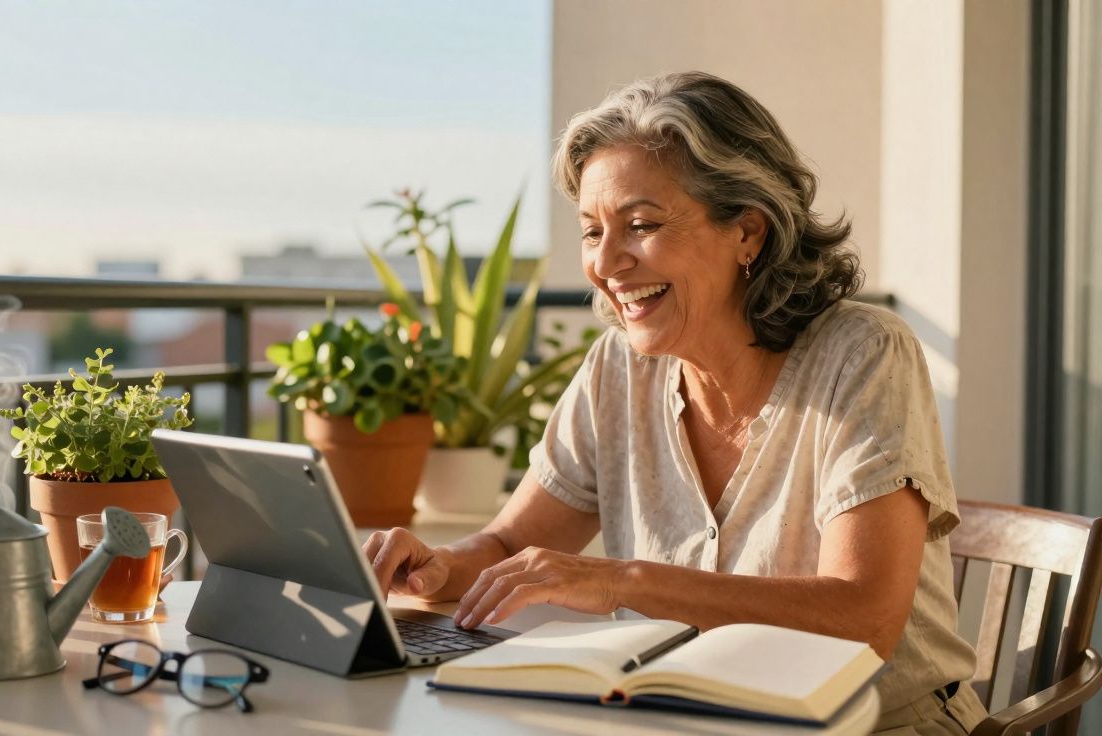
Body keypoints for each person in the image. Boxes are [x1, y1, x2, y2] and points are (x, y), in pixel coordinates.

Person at [362, 72, 986, 735]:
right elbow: (513, 541)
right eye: (592, 231)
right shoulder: (617, 368)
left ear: (748, 231)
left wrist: (620, 581)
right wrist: (439, 567)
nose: (606, 262)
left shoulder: (864, 355)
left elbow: (863, 618)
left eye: (641, 224)